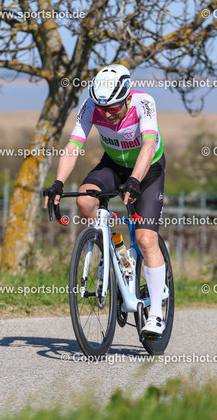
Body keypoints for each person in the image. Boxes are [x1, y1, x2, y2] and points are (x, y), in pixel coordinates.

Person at [43, 64, 167, 337]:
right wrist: (58, 183)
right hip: (112, 165)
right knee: (85, 201)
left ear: (128, 97)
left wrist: (135, 180)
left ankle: (157, 313)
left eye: (113, 108)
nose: (107, 114)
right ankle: (109, 248)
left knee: (146, 240)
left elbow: (148, 145)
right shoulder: (90, 107)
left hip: (148, 169)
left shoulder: (144, 103)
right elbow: (74, 145)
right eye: (102, 109)